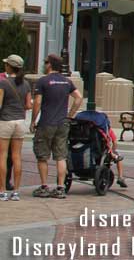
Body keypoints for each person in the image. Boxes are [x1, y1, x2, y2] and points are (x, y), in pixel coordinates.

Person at [31, 54, 82, 199]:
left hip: (46, 123)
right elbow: (78, 98)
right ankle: (60, 187)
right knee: (61, 156)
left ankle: (44, 187)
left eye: (46, 62)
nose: (44, 64)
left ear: (50, 65)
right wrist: (70, 115)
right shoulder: (67, 82)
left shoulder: (43, 81)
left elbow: (38, 102)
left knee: (43, 156)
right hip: (62, 123)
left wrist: (33, 121)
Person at [0, 55, 32, 201]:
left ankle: (2, 191)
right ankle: (16, 192)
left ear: (9, 67)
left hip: (6, 120)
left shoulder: (3, 83)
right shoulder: (25, 84)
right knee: (16, 156)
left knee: (3, 155)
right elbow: (28, 105)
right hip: (20, 121)